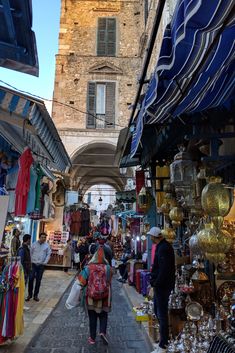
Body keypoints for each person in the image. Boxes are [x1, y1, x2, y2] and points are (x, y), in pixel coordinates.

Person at [148, 227, 175, 353]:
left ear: (154, 236)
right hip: (160, 285)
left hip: (162, 287)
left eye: (151, 237)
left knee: (161, 314)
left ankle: (163, 344)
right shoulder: (162, 247)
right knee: (158, 311)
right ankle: (163, 340)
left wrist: (156, 283)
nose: (150, 238)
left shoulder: (164, 248)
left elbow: (164, 270)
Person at [78, 247, 112, 345]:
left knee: (92, 317)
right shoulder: (108, 268)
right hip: (105, 296)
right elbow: (109, 280)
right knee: (103, 315)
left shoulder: (88, 267)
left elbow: (81, 281)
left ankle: (92, 338)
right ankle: (102, 332)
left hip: (91, 297)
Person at [26, 232, 51, 302]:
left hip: (41, 265)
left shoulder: (47, 246)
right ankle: (29, 295)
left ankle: (35, 295)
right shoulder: (34, 244)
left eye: (45, 237)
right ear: (39, 237)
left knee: (38, 280)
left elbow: (48, 254)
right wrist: (30, 262)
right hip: (33, 264)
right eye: (42, 237)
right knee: (30, 279)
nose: (44, 238)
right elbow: (30, 254)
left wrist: (45, 262)